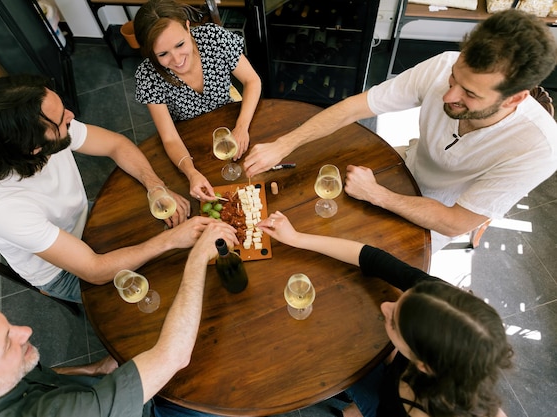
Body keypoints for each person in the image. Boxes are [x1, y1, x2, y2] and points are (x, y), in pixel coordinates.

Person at [245, 9, 557, 251]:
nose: (448, 96)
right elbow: (356, 107)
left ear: (515, 98)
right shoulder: (441, 65)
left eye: (470, 94)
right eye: (453, 79)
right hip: (403, 165)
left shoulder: (539, 149)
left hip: (438, 217)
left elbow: (455, 222)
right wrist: (285, 143)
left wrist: (377, 194)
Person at [0, 221, 238, 417]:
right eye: (6, 344)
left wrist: (91, 370)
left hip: (101, 392)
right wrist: (198, 256)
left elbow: (36, 380)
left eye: (8, 325)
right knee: (229, 395)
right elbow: (175, 355)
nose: (25, 330)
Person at [0, 74, 208, 304]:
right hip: (64, 272)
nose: (71, 116)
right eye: (62, 118)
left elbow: (116, 145)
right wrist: (168, 241)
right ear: (33, 148)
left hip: (85, 219)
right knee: (172, 282)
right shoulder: (3, 209)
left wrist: (156, 187)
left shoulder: (43, 129)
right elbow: (94, 270)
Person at [256, 211, 512, 417]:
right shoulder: (436, 297)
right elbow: (371, 258)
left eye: (393, 321)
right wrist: (297, 238)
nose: (384, 307)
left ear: (421, 363)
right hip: (390, 385)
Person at [134, 0, 262, 201]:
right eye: (163, 54)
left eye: (180, 44)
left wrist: (241, 127)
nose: (176, 60)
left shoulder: (214, 37)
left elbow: (252, 80)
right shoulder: (147, 75)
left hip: (232, 122)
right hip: (188, 141)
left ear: (187, 27)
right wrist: (191, 172)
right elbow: (169, 137)